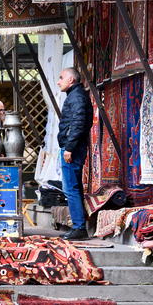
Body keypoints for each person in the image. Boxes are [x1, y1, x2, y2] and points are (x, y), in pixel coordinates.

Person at [56, 67, 94, 241]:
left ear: (71, 80)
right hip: (73, 146)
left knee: (71, 188)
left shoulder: (77, 97)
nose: (58, 81)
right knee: (72, 187)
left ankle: (79, 227)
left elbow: (79, 122)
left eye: (61, 77)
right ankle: (78, 227)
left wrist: (69, 147)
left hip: (73, 148)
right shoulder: (76, 95)